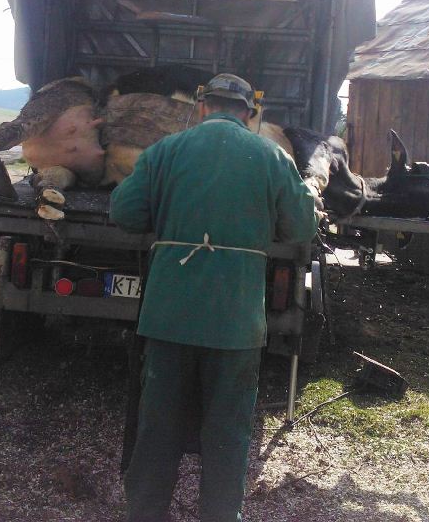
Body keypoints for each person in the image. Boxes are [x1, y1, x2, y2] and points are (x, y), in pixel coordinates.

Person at [109, 73, 319, 522]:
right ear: (249, 112)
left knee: (158, 426)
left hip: (168, 316)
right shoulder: (271, 156)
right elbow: (301, 227)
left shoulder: (165, 150)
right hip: (236, 320)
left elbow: (124, 212)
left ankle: (145, 514)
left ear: (202, 106)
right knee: (228, 432)